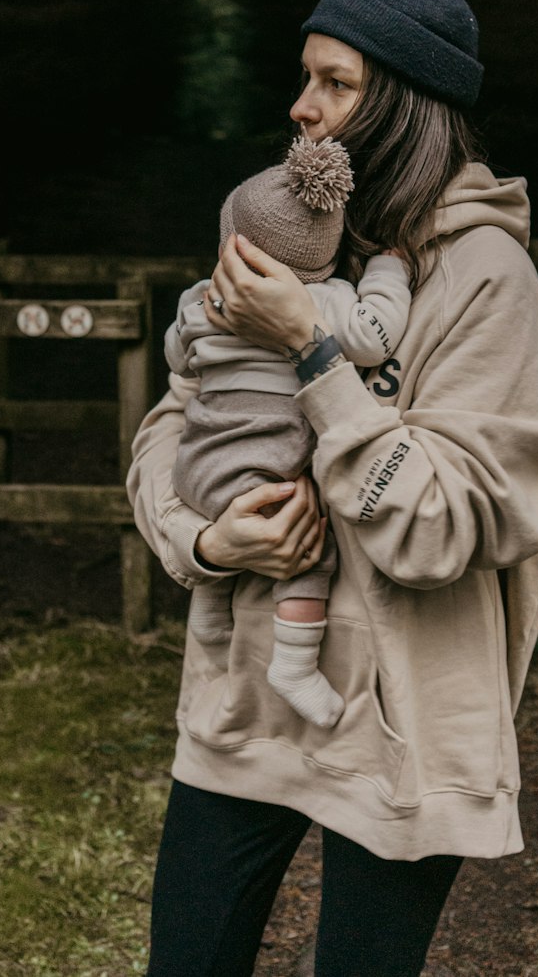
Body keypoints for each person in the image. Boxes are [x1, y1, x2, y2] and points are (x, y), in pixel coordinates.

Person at [127, 0, 538, 977]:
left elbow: (434, 526)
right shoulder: (295, 243)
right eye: (305, 78)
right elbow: (175, 420)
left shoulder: (485, 281)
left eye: (334, 83)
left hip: (403, 732)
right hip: (251, 702)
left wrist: (315, 355)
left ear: (402, 108)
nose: (301, 106)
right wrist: (204, 539)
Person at [165, 133, 413, 729]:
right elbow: (377, 335)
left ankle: (206, 610)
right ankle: (295, 665)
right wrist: (387, 269)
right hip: (268, 463)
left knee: (231, 528)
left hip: (197, 464)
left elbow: (179, 358)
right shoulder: (324, 300)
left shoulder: (203, 298)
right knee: (306, 549)